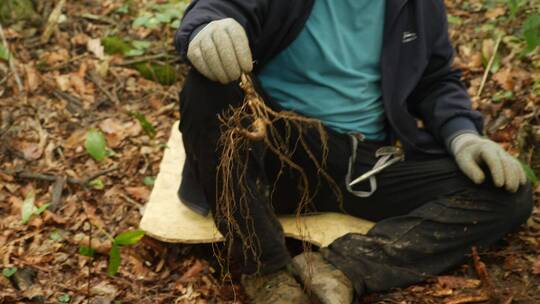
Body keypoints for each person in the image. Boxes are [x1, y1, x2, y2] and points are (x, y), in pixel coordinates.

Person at [173, 1, 534, 303]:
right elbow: (218, 7)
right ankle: (265, 271)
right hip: (277, 152)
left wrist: (464, 136)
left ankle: (345, 267)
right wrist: (208, 28)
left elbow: (436, 79)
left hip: (364, 165)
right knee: (207, 89)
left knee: (506, 192)